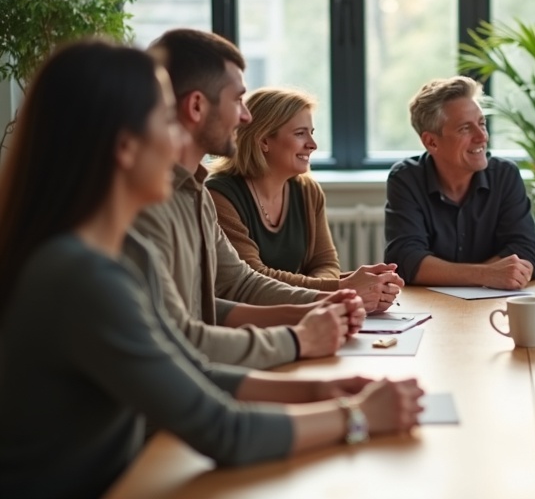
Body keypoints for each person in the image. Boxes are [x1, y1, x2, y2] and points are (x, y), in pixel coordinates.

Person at [0, 40, 423, 498]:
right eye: (166, 120)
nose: (181, 138)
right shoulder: (81, 277)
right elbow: (222, 432)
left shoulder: (118, 253)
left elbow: (188, 368)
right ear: (125, 147)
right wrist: (358, 416)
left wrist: (321, 391)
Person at [134, 28, 366, 370]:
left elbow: (230, 289)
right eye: (238, 99)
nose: (245, 117)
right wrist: (299, 338)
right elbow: (181, 341)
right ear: (196, 105)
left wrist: (325, 303)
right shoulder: (153, 205)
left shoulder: (195, 192)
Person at [206, 87, 403, 304]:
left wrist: (345, 292)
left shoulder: (308, 191)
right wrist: (341, 289)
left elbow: (325, 264)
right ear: (263, 141)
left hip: (296, 312)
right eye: (300, 133)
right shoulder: (219, 196)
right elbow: (252, 277)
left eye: (312, 132)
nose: (313, 144)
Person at [384, 76, 535, 289]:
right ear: (431, 142)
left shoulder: (505, 175)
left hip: (495, 309)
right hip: (432, 310)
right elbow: (405, 261)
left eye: (481, 124)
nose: (482, 137)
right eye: (465, 129)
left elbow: (527, 254)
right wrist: (486, 275)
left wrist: (451, 273)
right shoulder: (406, 178)